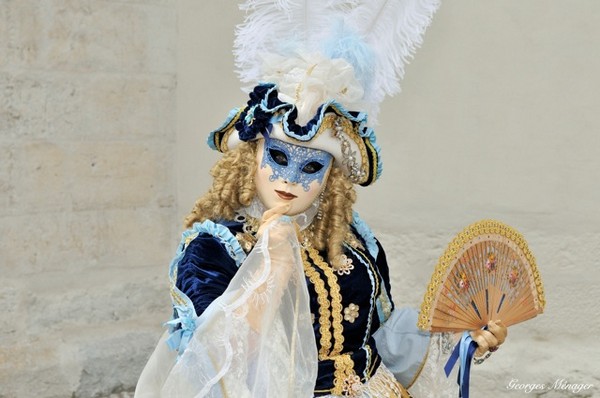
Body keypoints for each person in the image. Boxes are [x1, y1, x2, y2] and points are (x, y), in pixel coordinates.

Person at [135, 2, 507, 397]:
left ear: (331, 177)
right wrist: (271, 267)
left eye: (312, 167)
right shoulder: (212, 250)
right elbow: (213, 362)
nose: (290, 180)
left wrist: (457, 336)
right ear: (251, 156)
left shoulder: (351, 240)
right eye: (277, 158)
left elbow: (381, 336)